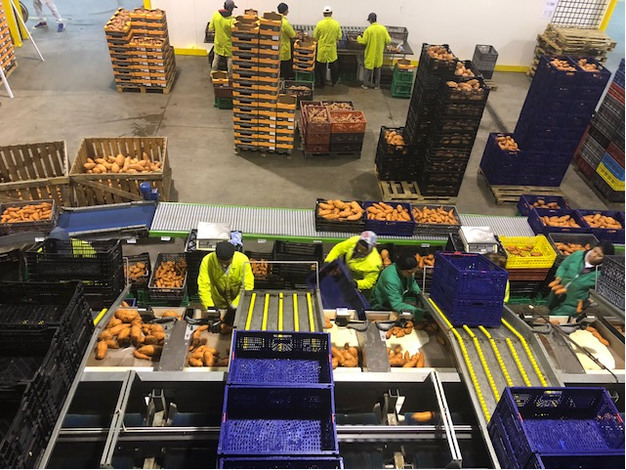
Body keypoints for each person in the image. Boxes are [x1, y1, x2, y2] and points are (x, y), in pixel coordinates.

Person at [547, 241, 615, 316]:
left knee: (558, 319)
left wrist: (587, 302)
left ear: (604, 259)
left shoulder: (601, 273)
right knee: (546, 312)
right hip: (555, 293)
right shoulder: (578, 255)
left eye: (599, 255)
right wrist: (558, 278)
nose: (594, 255)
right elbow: (563, 266)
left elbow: (600, 292)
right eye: (594, 251)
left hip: (572, 304)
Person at [197, 240, 254, 321]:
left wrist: (235, 305)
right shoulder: (207, 261)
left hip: (237, 300)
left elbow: (247, 285)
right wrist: (211, 309)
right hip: (218, 302)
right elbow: (203, 287)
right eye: (221, 262)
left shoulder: (242, 260)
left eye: (227, 263)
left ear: (233, 256)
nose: (224, 265)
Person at [356, 13, 390, 89]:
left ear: (370, 20)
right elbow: (388, 40)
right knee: (378, 69)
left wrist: (359, 37)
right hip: (379, 54)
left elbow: (363, 41)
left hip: (370, 53)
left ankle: (365, 85)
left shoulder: (369, 30)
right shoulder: (383, 29)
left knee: (368, 69)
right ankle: (377, 85)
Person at [313, 6, 342, 89]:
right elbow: (339, 37)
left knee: (321, 67)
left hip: (322, 48)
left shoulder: (319, 24)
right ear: (331, 13)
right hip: (332, 49)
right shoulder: (336, 24)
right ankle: (334, 82)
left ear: (323, 14)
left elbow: (315, 36)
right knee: (334, 66)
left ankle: (322, 83)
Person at [209, 0, 237, 75]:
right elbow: (234, 33)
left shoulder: (216, 14)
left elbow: (211, 28)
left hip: (218, 42)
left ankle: (212, 73)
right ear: (230, 9)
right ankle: (230, 75)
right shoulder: (231, 21)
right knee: (229, 59)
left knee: (216, 58)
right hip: (228, 44)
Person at [277, 3, 295, 79]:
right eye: (287, 10)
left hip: (277, 48)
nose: (288, 11)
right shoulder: (285, 22)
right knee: (285, 69)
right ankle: (285, 82)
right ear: (285, 11)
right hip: (284, 49)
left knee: (279, 69)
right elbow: (292, 35)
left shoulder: (276, 20)